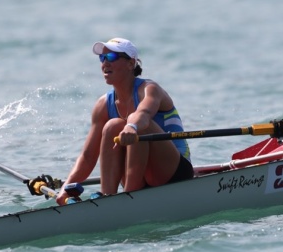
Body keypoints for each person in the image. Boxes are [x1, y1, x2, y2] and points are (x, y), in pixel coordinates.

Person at [55, 38, 193, 205]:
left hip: (173, 171)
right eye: (102, 58)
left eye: (111, 57)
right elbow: (87, 156)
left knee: (141, 126)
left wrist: (131, 126)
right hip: (140, 173)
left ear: (131, 63)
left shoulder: (150, 89)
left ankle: (129, 197)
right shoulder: (103, 105)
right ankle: (108, 199)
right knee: (112, 126)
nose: (105, 63)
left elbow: (143, 113)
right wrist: (65, 189)